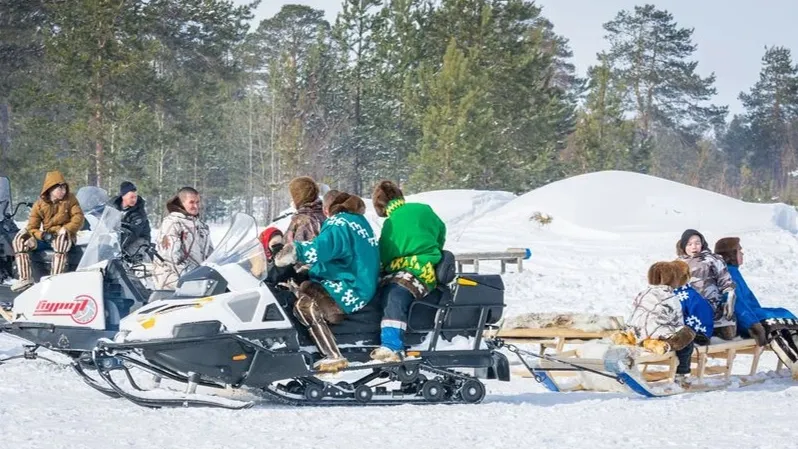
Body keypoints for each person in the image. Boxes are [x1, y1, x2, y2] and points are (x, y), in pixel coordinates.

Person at [274, 191, 380, 372]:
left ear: (327, 209)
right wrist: (309, 269)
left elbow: (322, 247)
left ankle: (332, 356)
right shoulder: (358, 221)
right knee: (304, 286)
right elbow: (342, 255)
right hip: (359, 280)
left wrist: (294, 251)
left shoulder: (338, 223)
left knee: (304, 306)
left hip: (351, 287)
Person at [369, 180, 447, 362]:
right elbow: (441, 232)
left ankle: (392, 346)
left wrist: (383, 265)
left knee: (393, 295)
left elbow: (387, 251)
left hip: (413, 272)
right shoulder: (424, 209)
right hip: (429, 266)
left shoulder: (392, 222)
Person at [714, 237, 798, 377]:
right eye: (740, 250)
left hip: (751, 315)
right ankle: (794, 363)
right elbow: (737, 305)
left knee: (782, 317)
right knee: (773, 328)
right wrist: (753, 325)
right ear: (731, 254)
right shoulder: (728, 274)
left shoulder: (733, 271)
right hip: (743, 321)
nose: (743, 254)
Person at [614, 261, 697, 381]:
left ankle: (635, 340)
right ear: (673, 278)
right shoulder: (670, 297)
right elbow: (677, 322)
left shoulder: (642, 293)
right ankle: (681, 373)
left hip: (636, 333)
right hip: (658, 335)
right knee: (688, 336)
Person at [11, 171, 85, 292]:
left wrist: (65, 229)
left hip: (65, 236)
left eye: (64, 187)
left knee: (60, 241)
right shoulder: (39, 204)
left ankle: (55, 279)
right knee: (20, 240)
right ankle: (25, 279)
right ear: (50, 188)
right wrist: (43, 235)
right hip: (47, 237)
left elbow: (78, 218)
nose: (63, 191)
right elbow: (32, 227)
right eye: (59, 188)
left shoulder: (70, 199)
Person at [676, 229, 737, 340]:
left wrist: (729, 295)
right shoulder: (678, 263)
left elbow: (724, 278)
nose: (694, 247)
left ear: (702, 243)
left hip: (710, 302)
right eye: (689, 244)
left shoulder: (712, 259)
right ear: (683, 245)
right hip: (688, 304)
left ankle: (705, 330)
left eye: (697, 243)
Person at [152, 187, 213, 290]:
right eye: (191, 202)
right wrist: (191, 277)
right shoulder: (172, 223)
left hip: (196, 278)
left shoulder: (201, 226)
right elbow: (170, 257)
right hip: (172, 279)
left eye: (197, 202)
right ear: (181, 203)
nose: (196, 206)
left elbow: (210, 254)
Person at [108, 181, 152, 261]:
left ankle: (134, 268)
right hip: (118, 237)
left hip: (138, 239)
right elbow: (104, 220)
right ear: (123, 196)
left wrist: (117, 245)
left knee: (130, 253)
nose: (134, 199)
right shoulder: (113, 205)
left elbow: (133, 233)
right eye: (131, 197)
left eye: (135, 197)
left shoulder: (139, 212)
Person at [284, 176, 325, 244]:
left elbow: (290, 250)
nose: (291, 199)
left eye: (293, 196)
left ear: (298, 196)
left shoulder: (302, 219)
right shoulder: (327, 213)